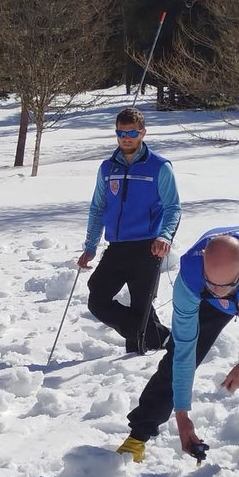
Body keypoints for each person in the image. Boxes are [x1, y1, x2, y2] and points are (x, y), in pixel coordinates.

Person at [117, 226, 239, 476]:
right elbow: (184, 350)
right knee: (174, 360)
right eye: (213, 283)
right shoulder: (191, 278)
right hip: (207, 302)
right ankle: (137, 437)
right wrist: (182, 415)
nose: (219, 291)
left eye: (225, 285)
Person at [78, 107, 181, 354]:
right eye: (121, 133)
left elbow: (173, 207)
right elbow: (98, 208)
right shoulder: (107, 168)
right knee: (98, 299)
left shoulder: (159, 166)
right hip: (117, 246)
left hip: (147, 248)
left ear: (142, 132)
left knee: (141, 305)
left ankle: (138, 358)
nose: (127, 137)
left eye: (132, 132)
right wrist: (90, 247)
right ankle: (162, 338)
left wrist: (164, 236)